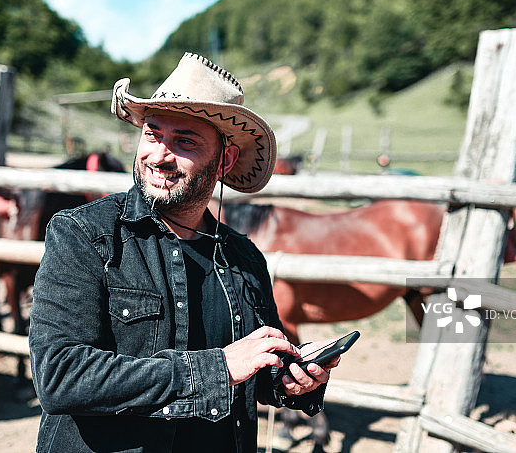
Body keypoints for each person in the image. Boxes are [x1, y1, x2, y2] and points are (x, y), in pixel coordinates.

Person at [29, 52, 339, 453]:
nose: (158, 155)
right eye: (152, 133)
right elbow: (60, 377)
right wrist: (219, 368)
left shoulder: (244, 258)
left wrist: (294, 380)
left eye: (184, 141)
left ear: (225, 159)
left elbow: (255, 373)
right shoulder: (84, 235)